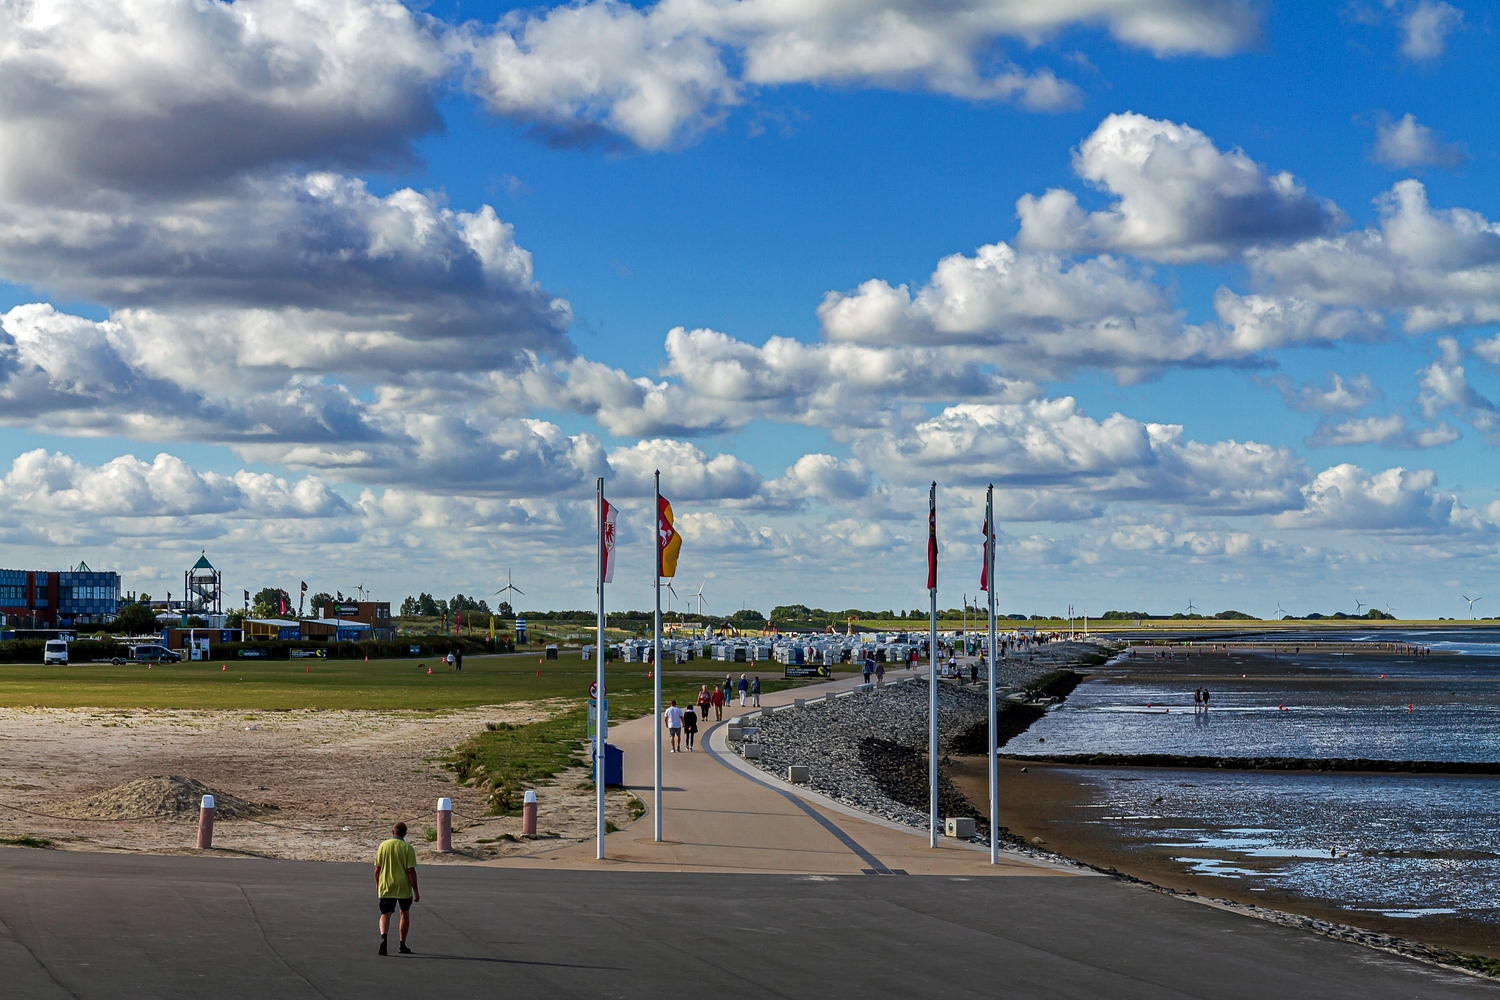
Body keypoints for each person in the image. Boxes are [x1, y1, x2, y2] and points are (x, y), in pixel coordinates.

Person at [375, 822, 419, 955]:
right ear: (405, 833)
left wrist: (378, 884)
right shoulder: (408, 848)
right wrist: (416, 891)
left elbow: (377, 869)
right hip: (403, 886)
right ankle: (402, 944)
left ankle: (384, 937)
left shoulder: (383, 846)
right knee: (404, 913)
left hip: (387, 885)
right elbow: (411, 871)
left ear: (392, 832)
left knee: (385, 914)